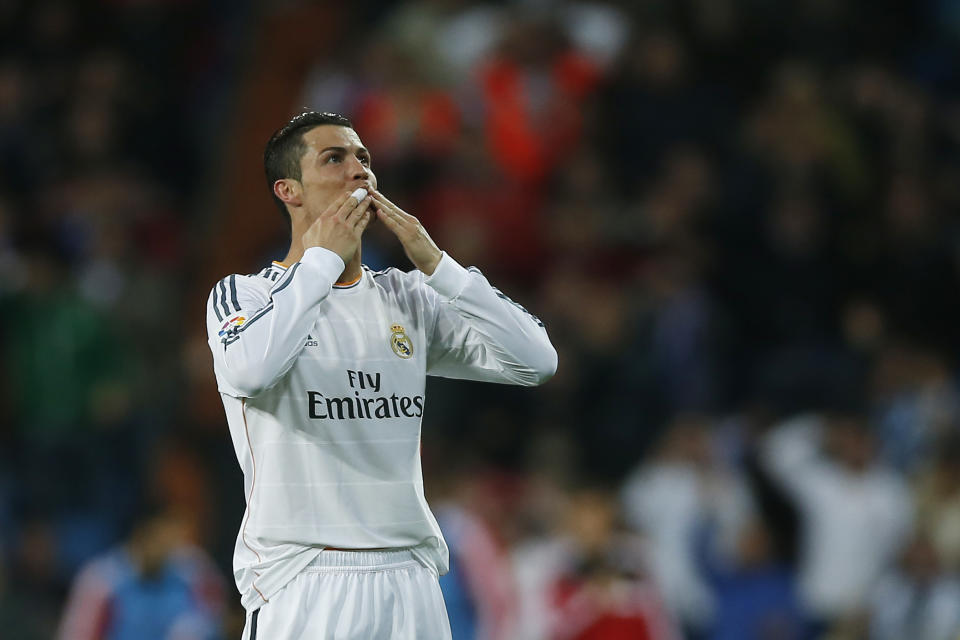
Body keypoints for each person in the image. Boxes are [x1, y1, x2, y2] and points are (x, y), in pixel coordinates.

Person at [205, 111, 557, 639]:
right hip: (306, 578)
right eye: (335, 158)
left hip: (410, 578)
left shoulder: (407, 296)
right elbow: (252, 369)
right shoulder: (247, 297)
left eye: (364, 158)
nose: (359, 172)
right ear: (288, 190)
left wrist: (439, 266)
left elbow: (536, 361)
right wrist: (321, 263)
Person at [55, 504, 226, 640]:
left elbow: (215, 624)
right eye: (159, 539)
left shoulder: (195, 572)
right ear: (141, 534)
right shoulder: (100, 581)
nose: (167, 547)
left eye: (172, 540)